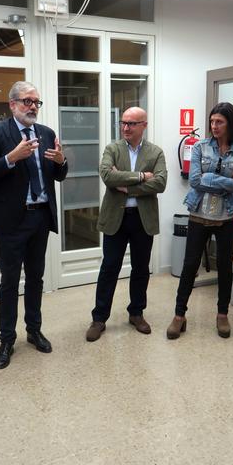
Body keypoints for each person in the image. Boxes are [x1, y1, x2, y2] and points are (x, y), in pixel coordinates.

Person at [0, 81, 68, 369]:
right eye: (27, 101)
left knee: (36, 278)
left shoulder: (46, 133)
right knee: (9, 281)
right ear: (12, 104)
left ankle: (34, 330)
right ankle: (7, 339)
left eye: (36, 102)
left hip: (40, 217)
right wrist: (11, 158)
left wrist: (62, 161)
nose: (32, 107)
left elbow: (59, 175)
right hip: (12, 221)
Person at [167, 102, 233, 340]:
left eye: (219, 122)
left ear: (230, 124)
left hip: (227, 216)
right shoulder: (200, 147)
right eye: (212, 121)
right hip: (199, 214)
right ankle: (179, 315)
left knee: (224, 266)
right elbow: (194, 180)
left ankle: (222, 314)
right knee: (190, 265)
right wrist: (225, 181)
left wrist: (210, 178)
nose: (214, 126)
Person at [86, 107, 167, 341]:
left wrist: (126, 187)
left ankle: (136, 313)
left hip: (142, 218)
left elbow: (160, 183)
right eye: (123, 122)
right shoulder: (112, 149)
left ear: (144, 125)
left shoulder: (156, 152)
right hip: (116, 218)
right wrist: (141, 177)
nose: (125, 127)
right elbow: (107, 176)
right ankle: (99, 318)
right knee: (109, 268)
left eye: (131, 123)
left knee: (141, 268)